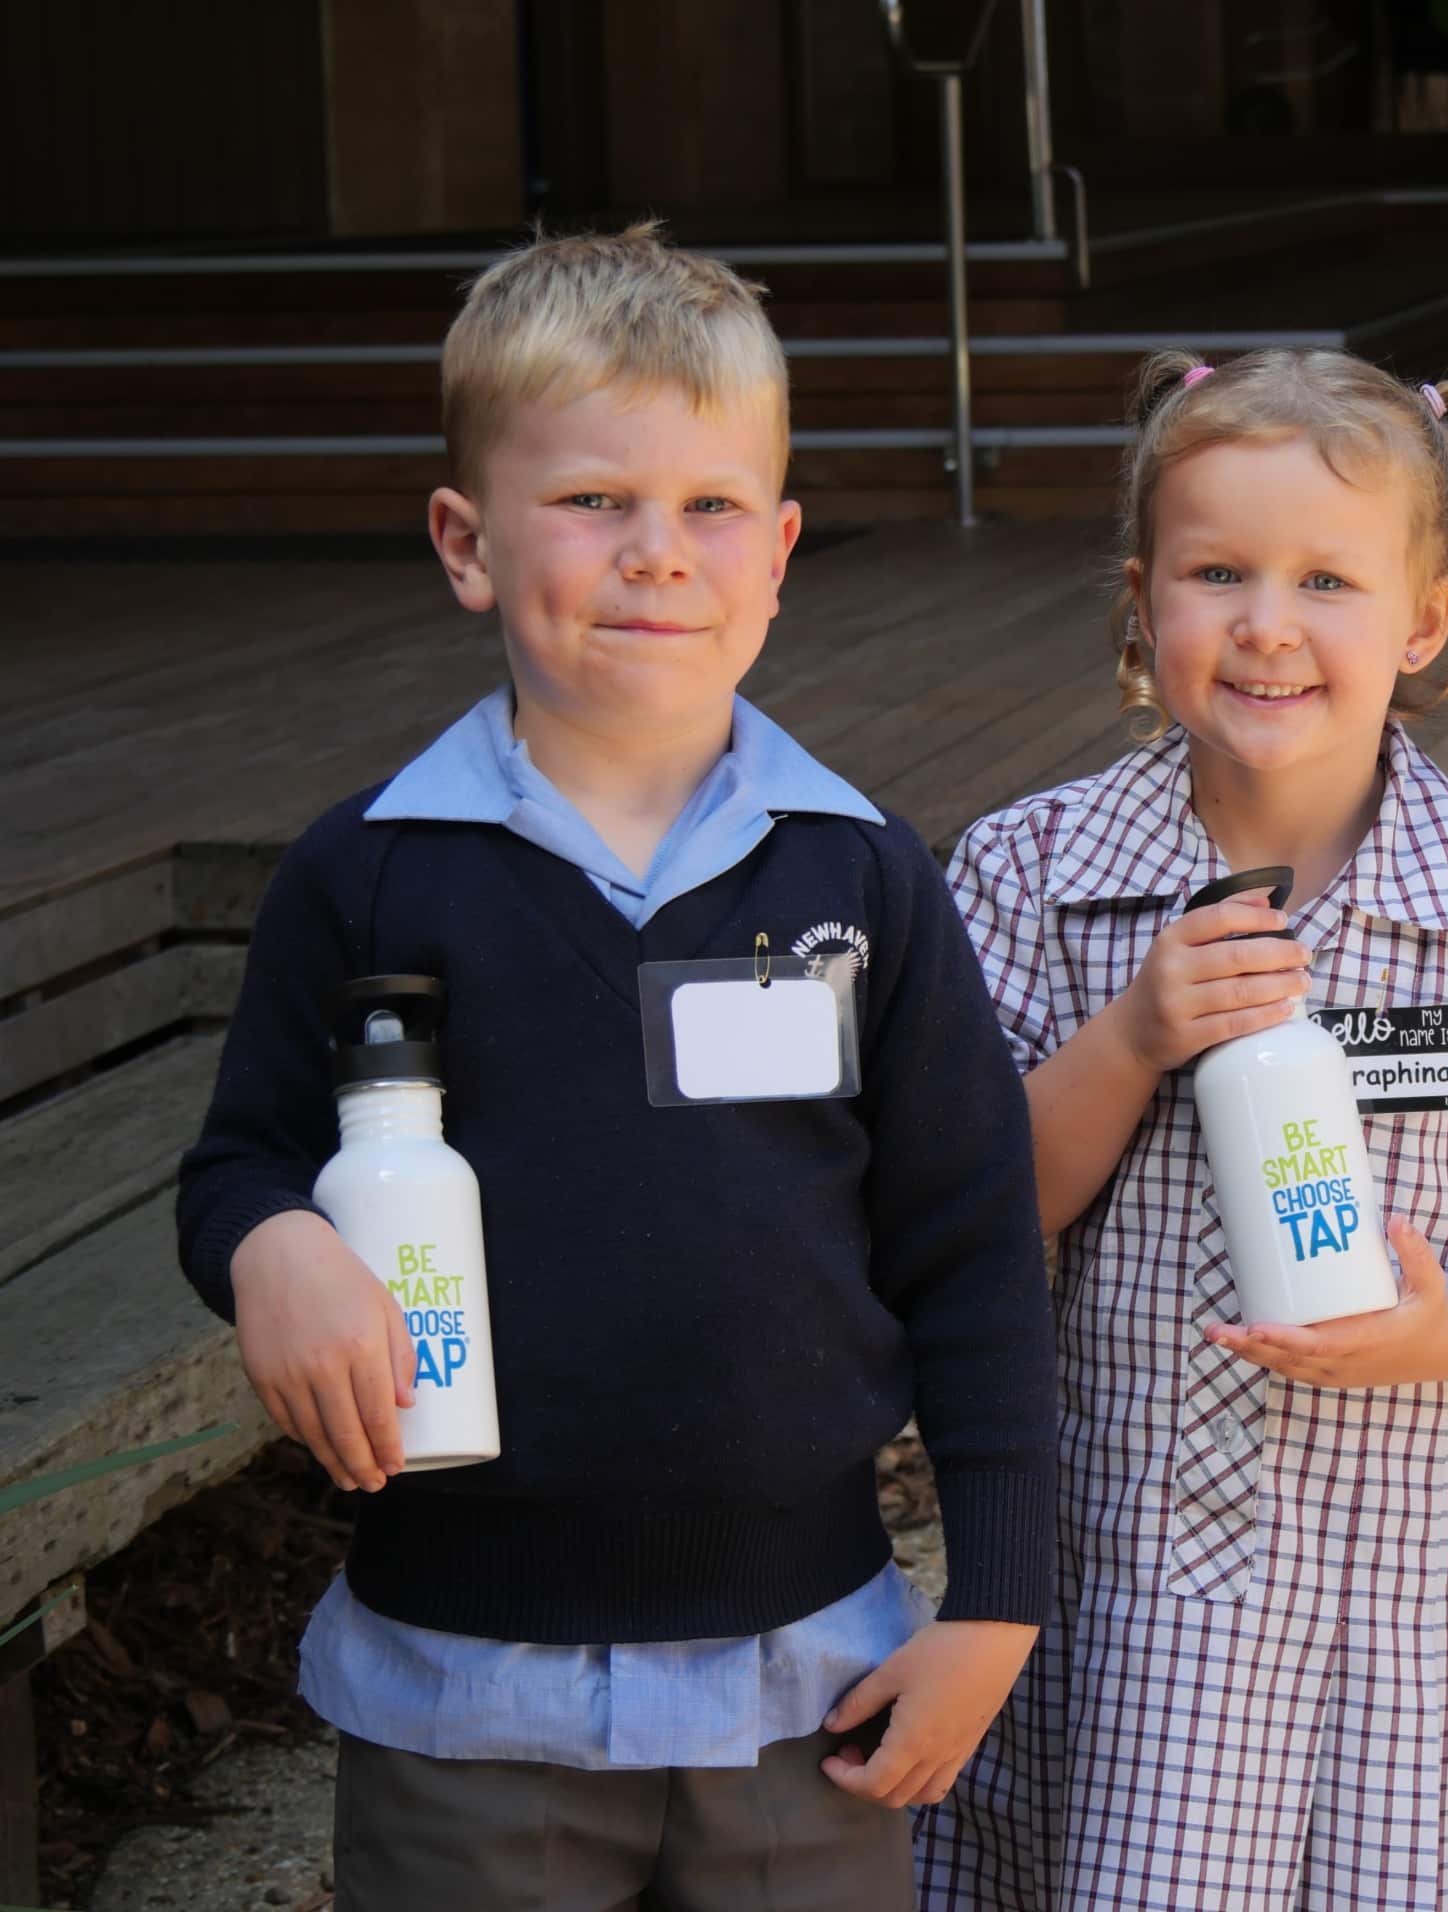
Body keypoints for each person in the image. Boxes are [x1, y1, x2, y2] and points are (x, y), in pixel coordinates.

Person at [174, 223, 1055, 1910]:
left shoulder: (863, 874)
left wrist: (995, 1601)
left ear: (780, 552)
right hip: (464, 1690)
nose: (659, 554)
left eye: (712, 507)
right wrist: (269, 1242)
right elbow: (237, 1165)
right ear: (467, 542)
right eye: (594, 501)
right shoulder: (363, 872)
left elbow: (971, 1247)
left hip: (810, 1688)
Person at [918, 346, 1448, 1908]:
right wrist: (1132, 1037)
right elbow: (966, 1213)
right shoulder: (1028, 873)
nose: (1269, 624)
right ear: (1145, 603)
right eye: (1219, 572)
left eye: (1327, 579)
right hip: (1116, 1574)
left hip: (1400, 1580)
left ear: (1424, 617)